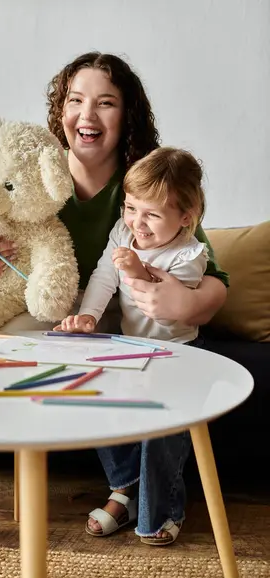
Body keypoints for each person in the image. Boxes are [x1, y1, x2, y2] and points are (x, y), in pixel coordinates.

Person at [0, 52, 228, 560]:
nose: (87, 114)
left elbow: (212, 276)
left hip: (75, 316)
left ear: (126, 116)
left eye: (105, 103)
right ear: (59, 109)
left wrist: (187, 303)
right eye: (75, 100)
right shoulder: (34, 162)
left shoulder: (143, 186)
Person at [56, 146, 208, 543]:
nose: (137, 223)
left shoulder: (190, 255)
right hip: (129, 348)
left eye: (152, 214)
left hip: (174, 354)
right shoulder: (123, 232)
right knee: (90, 394)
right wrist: (88, 316)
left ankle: (163, 511)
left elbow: (163, 312)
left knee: (161, 434)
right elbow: (105, 275)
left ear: (185, 218)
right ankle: (125, 486)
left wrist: (138, 269)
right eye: (131, 208)